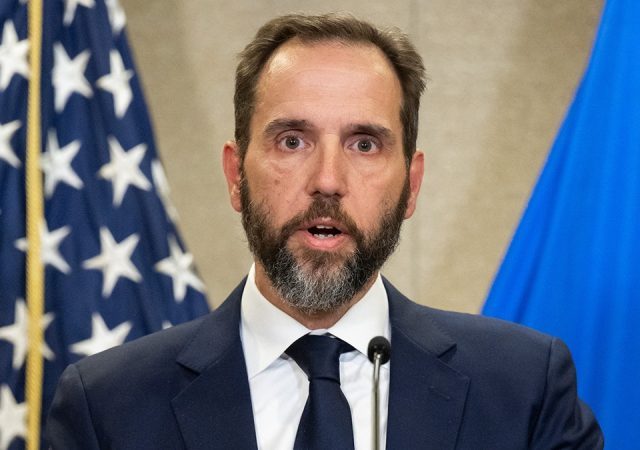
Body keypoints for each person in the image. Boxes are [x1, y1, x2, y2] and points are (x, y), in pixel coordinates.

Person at [46, 13, 603, 449]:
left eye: (365, 144)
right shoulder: (107, 407)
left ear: (411, 186)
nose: (328, 180)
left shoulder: (523, 391)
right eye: (292, 141)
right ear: (236, 176)